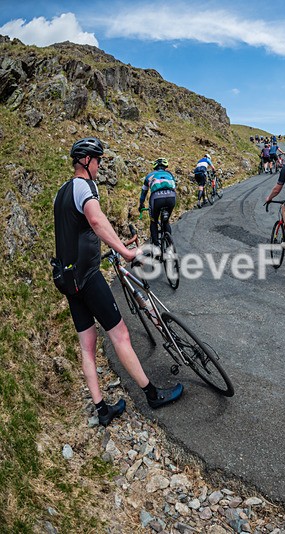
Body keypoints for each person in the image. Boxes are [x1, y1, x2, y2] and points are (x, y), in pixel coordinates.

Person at [53, 137, 183, 427]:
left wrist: (115, 244)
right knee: (120, 334)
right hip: (88, 276)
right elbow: (96, 221)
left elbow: (78, 232)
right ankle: (152, 394)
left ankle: (102, 411)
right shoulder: (82, 186)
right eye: (97, 160)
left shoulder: (60, 192)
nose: (99, 166)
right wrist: (126, 252)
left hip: (67, 278)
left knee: (87, 346)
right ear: (86, 161)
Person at [138, 157, 176, 247]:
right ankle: (169, 245)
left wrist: (141, 204)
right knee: (166, 222)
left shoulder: (149, 176)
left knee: (154, 221)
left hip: (156, 198)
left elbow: (144, 193)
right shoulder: (169, 175)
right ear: (165, 167)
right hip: (171, 196)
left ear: (155, 167)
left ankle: (156, 248)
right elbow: (174, 189)